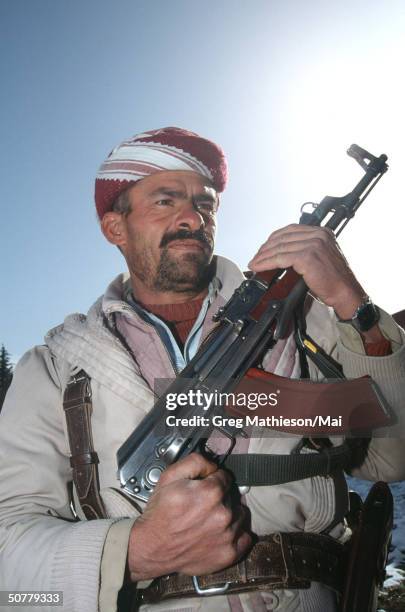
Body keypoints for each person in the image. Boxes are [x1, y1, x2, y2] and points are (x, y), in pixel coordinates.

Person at [0, 127, 404, 612]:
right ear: (115, 228)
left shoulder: (307, 323)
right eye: (165, 202)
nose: (193, 217)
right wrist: (135, 552)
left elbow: (390, 462)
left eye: (205, 204)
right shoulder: (56, 368)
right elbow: (10, 560)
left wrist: (352, 306)